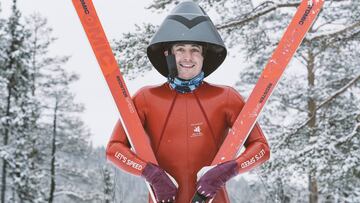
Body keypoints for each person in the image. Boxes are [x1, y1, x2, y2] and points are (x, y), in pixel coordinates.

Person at [106, 1, 270, 202]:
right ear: (169, 54)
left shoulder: (226, 97)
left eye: (195, 49)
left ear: (204, 56)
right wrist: (152, 174)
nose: (187, 57)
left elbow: (261, 148)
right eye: (180, 49)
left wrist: (226, 171)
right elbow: (114, 149)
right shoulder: (145, 98)